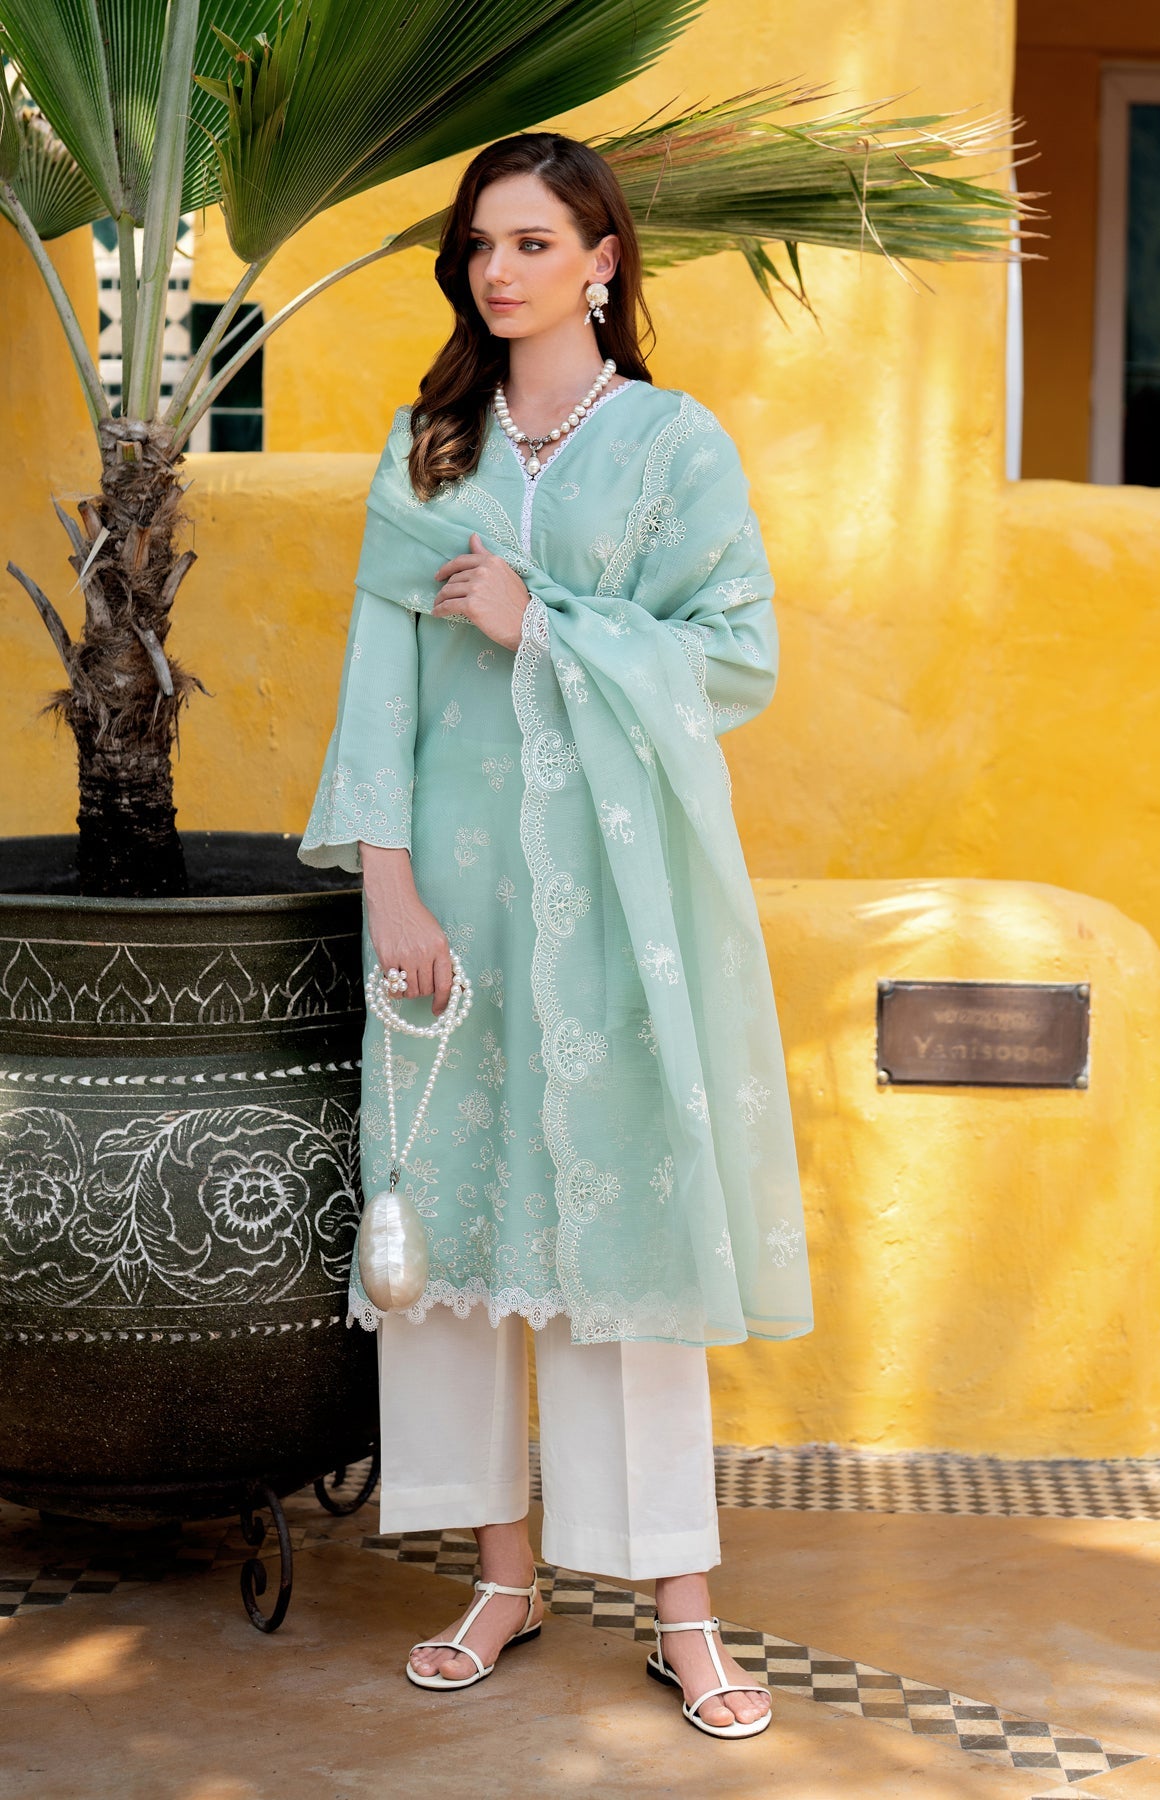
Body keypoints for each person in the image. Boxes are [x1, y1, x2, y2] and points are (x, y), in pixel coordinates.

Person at [298, 130, 813, 1740]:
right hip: (452, 899)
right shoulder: (429, 451)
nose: (497, 270)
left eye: (531, 242)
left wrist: (549, 625)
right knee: (454, 1236)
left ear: (602, 260)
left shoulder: (673, 445)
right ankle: (500, 1580)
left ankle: (683, 1611)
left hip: (617, 902)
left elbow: (738, 657)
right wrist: (389, 888)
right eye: (480, 245)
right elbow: (378, 682)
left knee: (624, 1234)